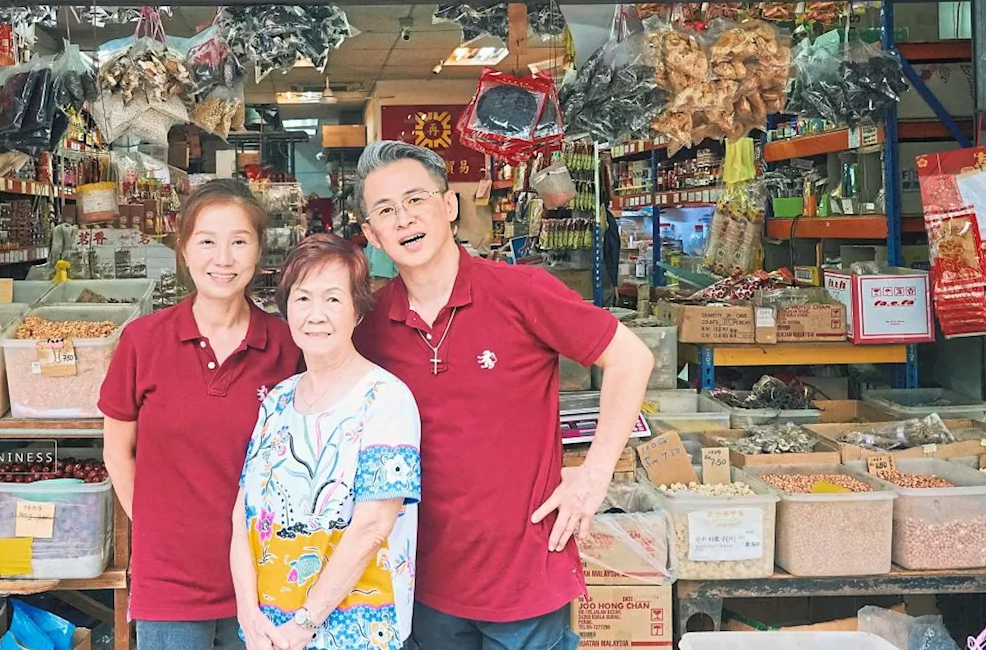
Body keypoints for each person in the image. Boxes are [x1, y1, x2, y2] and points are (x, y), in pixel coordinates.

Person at [353, 140, 656, 650]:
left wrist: (594, 474)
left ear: (448, 206)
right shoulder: (370, 325)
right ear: (371, 235)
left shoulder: (522, 291)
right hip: (418, 585)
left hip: (522, 580)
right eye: (385, 210)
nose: (404, 219)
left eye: (416, 200)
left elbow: (632, 358)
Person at [100, 179, 302, 650]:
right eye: (207, 241)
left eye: (239, 241)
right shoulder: (142, 342)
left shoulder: (288, 345)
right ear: (184, 250)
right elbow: (117, 451)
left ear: (259, 250)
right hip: (170, 583)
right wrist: (157, 529)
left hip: (266, 578)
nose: (223, 259)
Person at [232, 234, 421, 650]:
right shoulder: (278, 399)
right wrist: (248, 612)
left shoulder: (385, 398)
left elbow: (373, 526)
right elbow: (242, 512)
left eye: (333, 299)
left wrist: (303, 626)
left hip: (353, 631)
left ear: (357, 312)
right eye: (302, 299)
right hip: (268, 632)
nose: (315, 314)